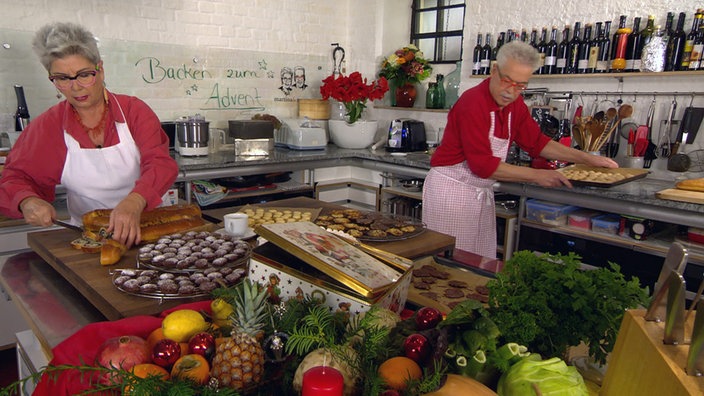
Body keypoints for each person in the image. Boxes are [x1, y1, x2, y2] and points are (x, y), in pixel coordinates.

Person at [422, 41, 618, 258]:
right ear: (494, 70)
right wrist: (538, 176)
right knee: (449, 265)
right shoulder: (473, 103)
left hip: (478, 193)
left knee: (477, 262)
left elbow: (537, 143)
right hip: (451, 193)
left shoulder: (515, 105)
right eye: (507, 81)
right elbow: (483, 166)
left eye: (520, 85)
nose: (511, 91)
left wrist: (586, 158)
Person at [0, 22, 178, 248]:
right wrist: (27, 201)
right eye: (63, 78)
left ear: (100, 69)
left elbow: (160, 163)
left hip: (150, 232)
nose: (76, 87)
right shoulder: (49, 125)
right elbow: (16, 177)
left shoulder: (133, 111)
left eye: (84, 75)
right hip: (89, 239)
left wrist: (134, 202)